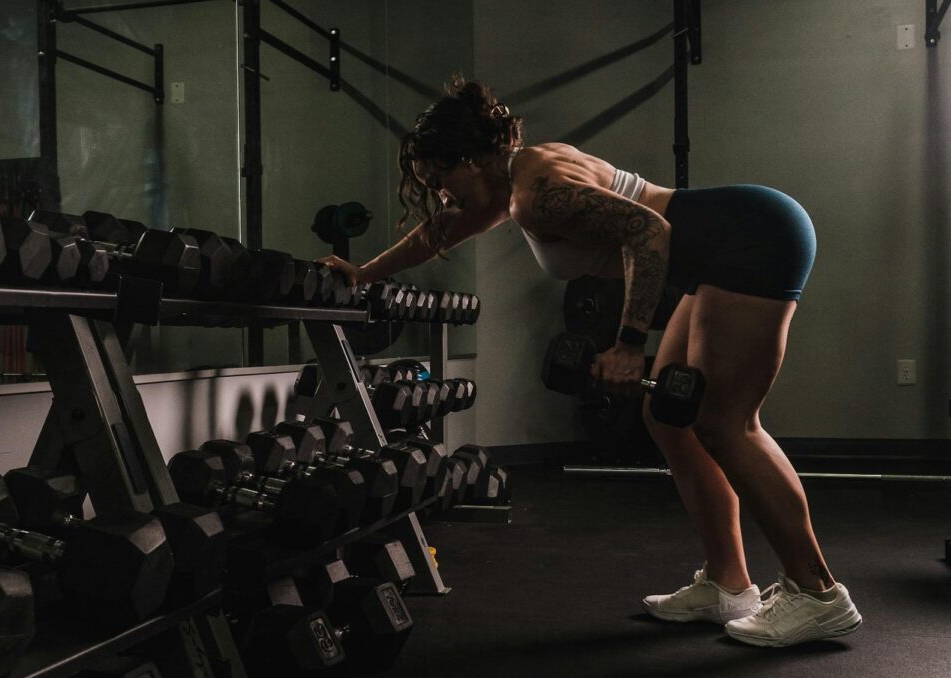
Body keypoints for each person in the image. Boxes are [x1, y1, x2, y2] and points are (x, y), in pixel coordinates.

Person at [316, 74, 862, 648]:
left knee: (725, 423)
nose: (443, 196)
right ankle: (728, 584)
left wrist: (627, 344)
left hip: (752, 238)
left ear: (471, 161)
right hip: (722, 249)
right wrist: (364, 274)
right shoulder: (516, 179)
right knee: (667, 417)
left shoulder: (537, 192)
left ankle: (818, 593)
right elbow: (442, 231)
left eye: (442, 181)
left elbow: (649, 233)